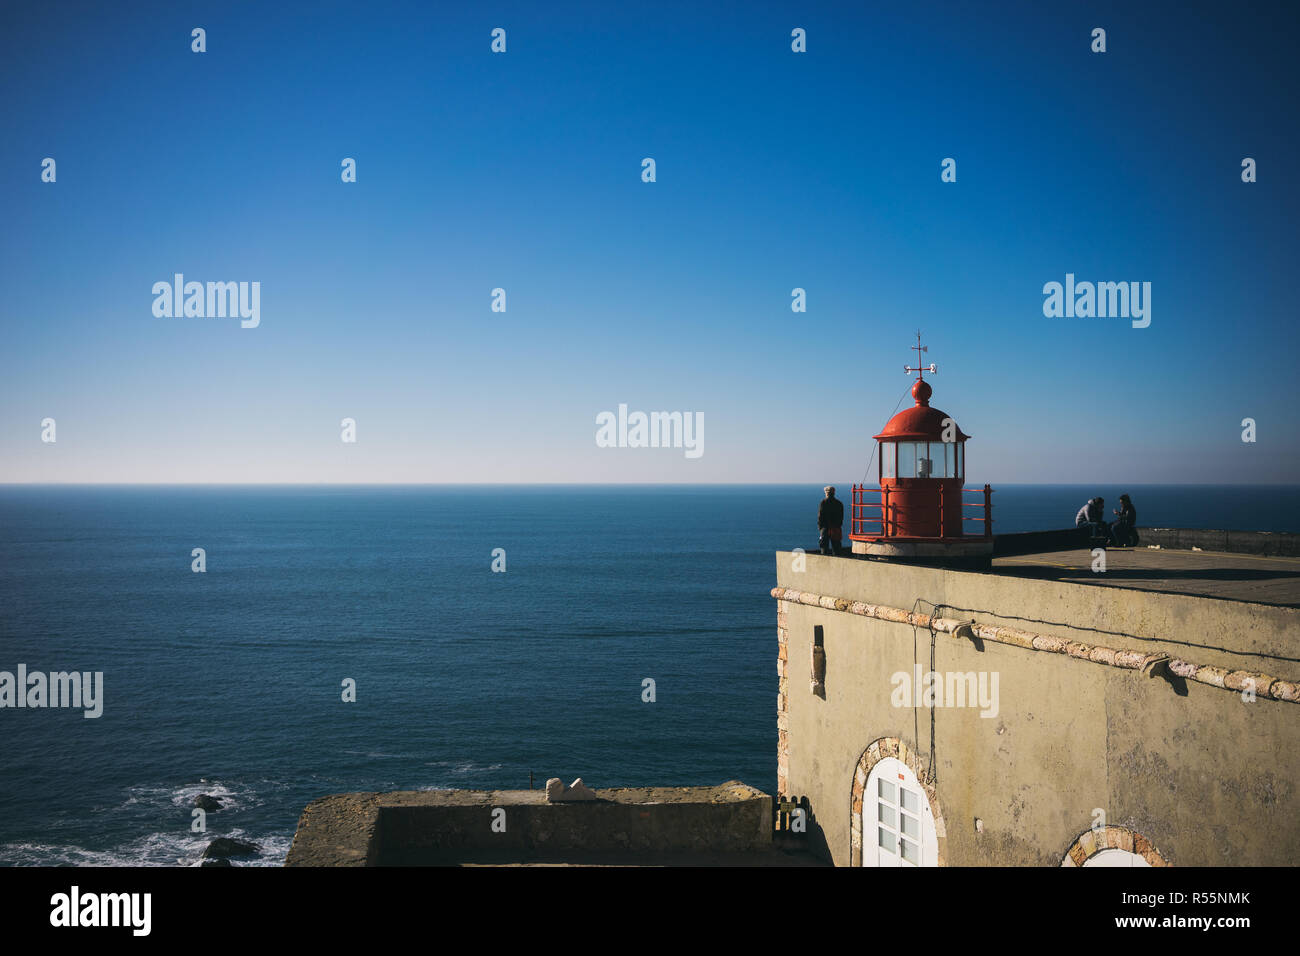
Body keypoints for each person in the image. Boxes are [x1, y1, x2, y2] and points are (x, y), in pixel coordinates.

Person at [818, 486, 844, 556]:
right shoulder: (839, 503)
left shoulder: (823, 502)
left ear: (826, 493)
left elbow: (820, 517)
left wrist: (820, 528)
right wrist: (838, 526)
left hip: (825, 528)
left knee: (824, 548)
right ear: (834, 493)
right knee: (837, 548)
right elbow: (841, 517)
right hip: (836, 528)